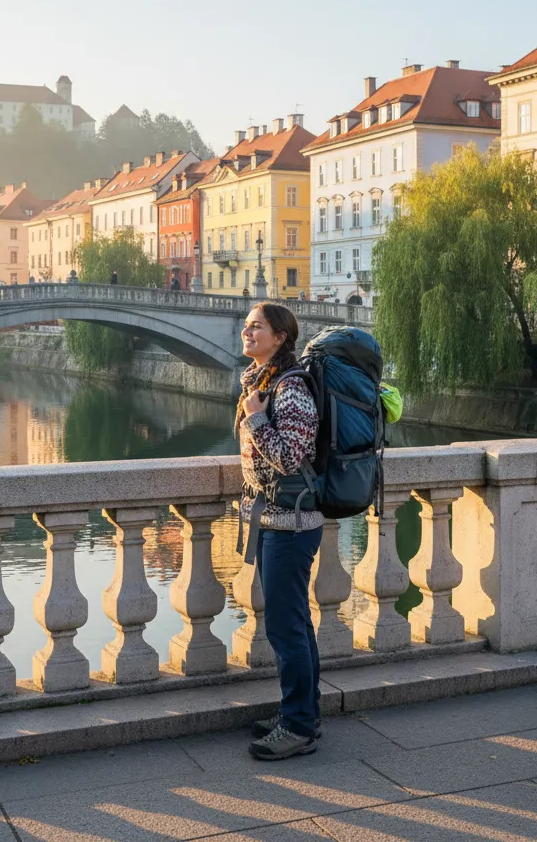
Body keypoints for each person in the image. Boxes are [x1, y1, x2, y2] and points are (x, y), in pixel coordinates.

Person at [236, 302, 321, 760]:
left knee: (287, 630)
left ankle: (298, 727)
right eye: (246, 325)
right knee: (295, 626)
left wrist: (254, 418)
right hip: (275, 520)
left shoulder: (289, 390)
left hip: (291, 525)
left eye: (257, 326)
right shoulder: (264, 382)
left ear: (280, 337)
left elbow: (290, 458)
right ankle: (304, 712)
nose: (247, 331)